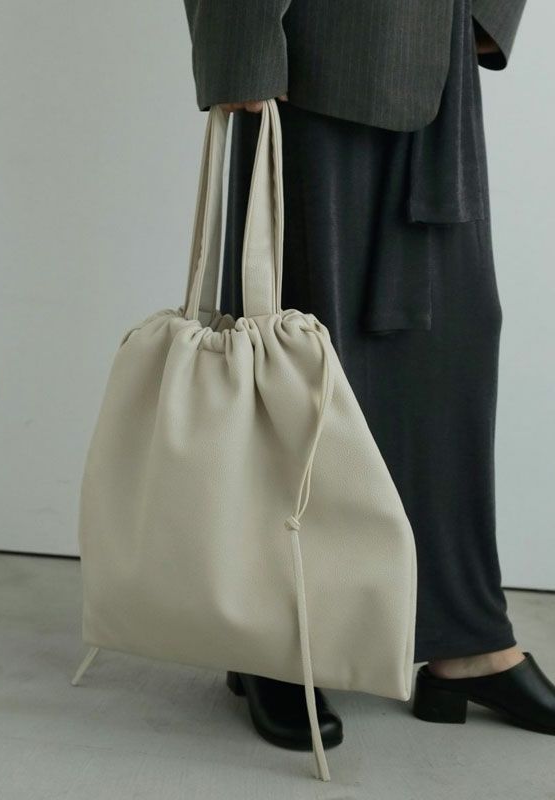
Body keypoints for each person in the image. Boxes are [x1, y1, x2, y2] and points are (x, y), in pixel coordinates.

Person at [182, 0, 555, 750]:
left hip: (437, 59)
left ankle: (464, 636)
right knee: (301, 360)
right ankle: (273, 640)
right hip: (313, 60)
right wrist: (241, 45)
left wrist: (486, 16)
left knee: (451, 352)